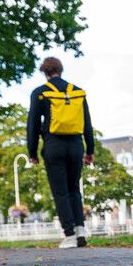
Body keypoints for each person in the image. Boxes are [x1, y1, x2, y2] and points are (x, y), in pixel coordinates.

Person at [27, 57, 94, 248]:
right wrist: (90, 150)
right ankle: (80, 230)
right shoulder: (77, 92)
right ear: (60, 70)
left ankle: (70, 235)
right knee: (74, 188)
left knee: (60, 191)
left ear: (44, 72)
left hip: (53, 145)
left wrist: (32, 152)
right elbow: (87, 124)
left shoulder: (40, 93)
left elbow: (33, 124)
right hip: (75, 145)